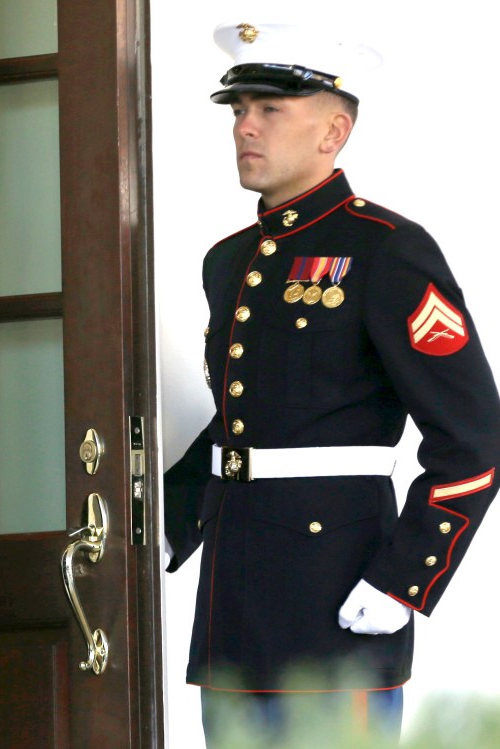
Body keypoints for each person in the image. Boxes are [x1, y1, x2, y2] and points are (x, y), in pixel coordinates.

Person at [162, 22, 500, 747]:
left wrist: (405, 578)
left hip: (340, 596)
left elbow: (473, 434)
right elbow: (243, 424)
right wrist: (159, 520)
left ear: (334, 131)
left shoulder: (387, 250)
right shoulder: (229, 261)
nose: (244, 126)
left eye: (269, 109)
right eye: (238, 110)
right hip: (234, 602)